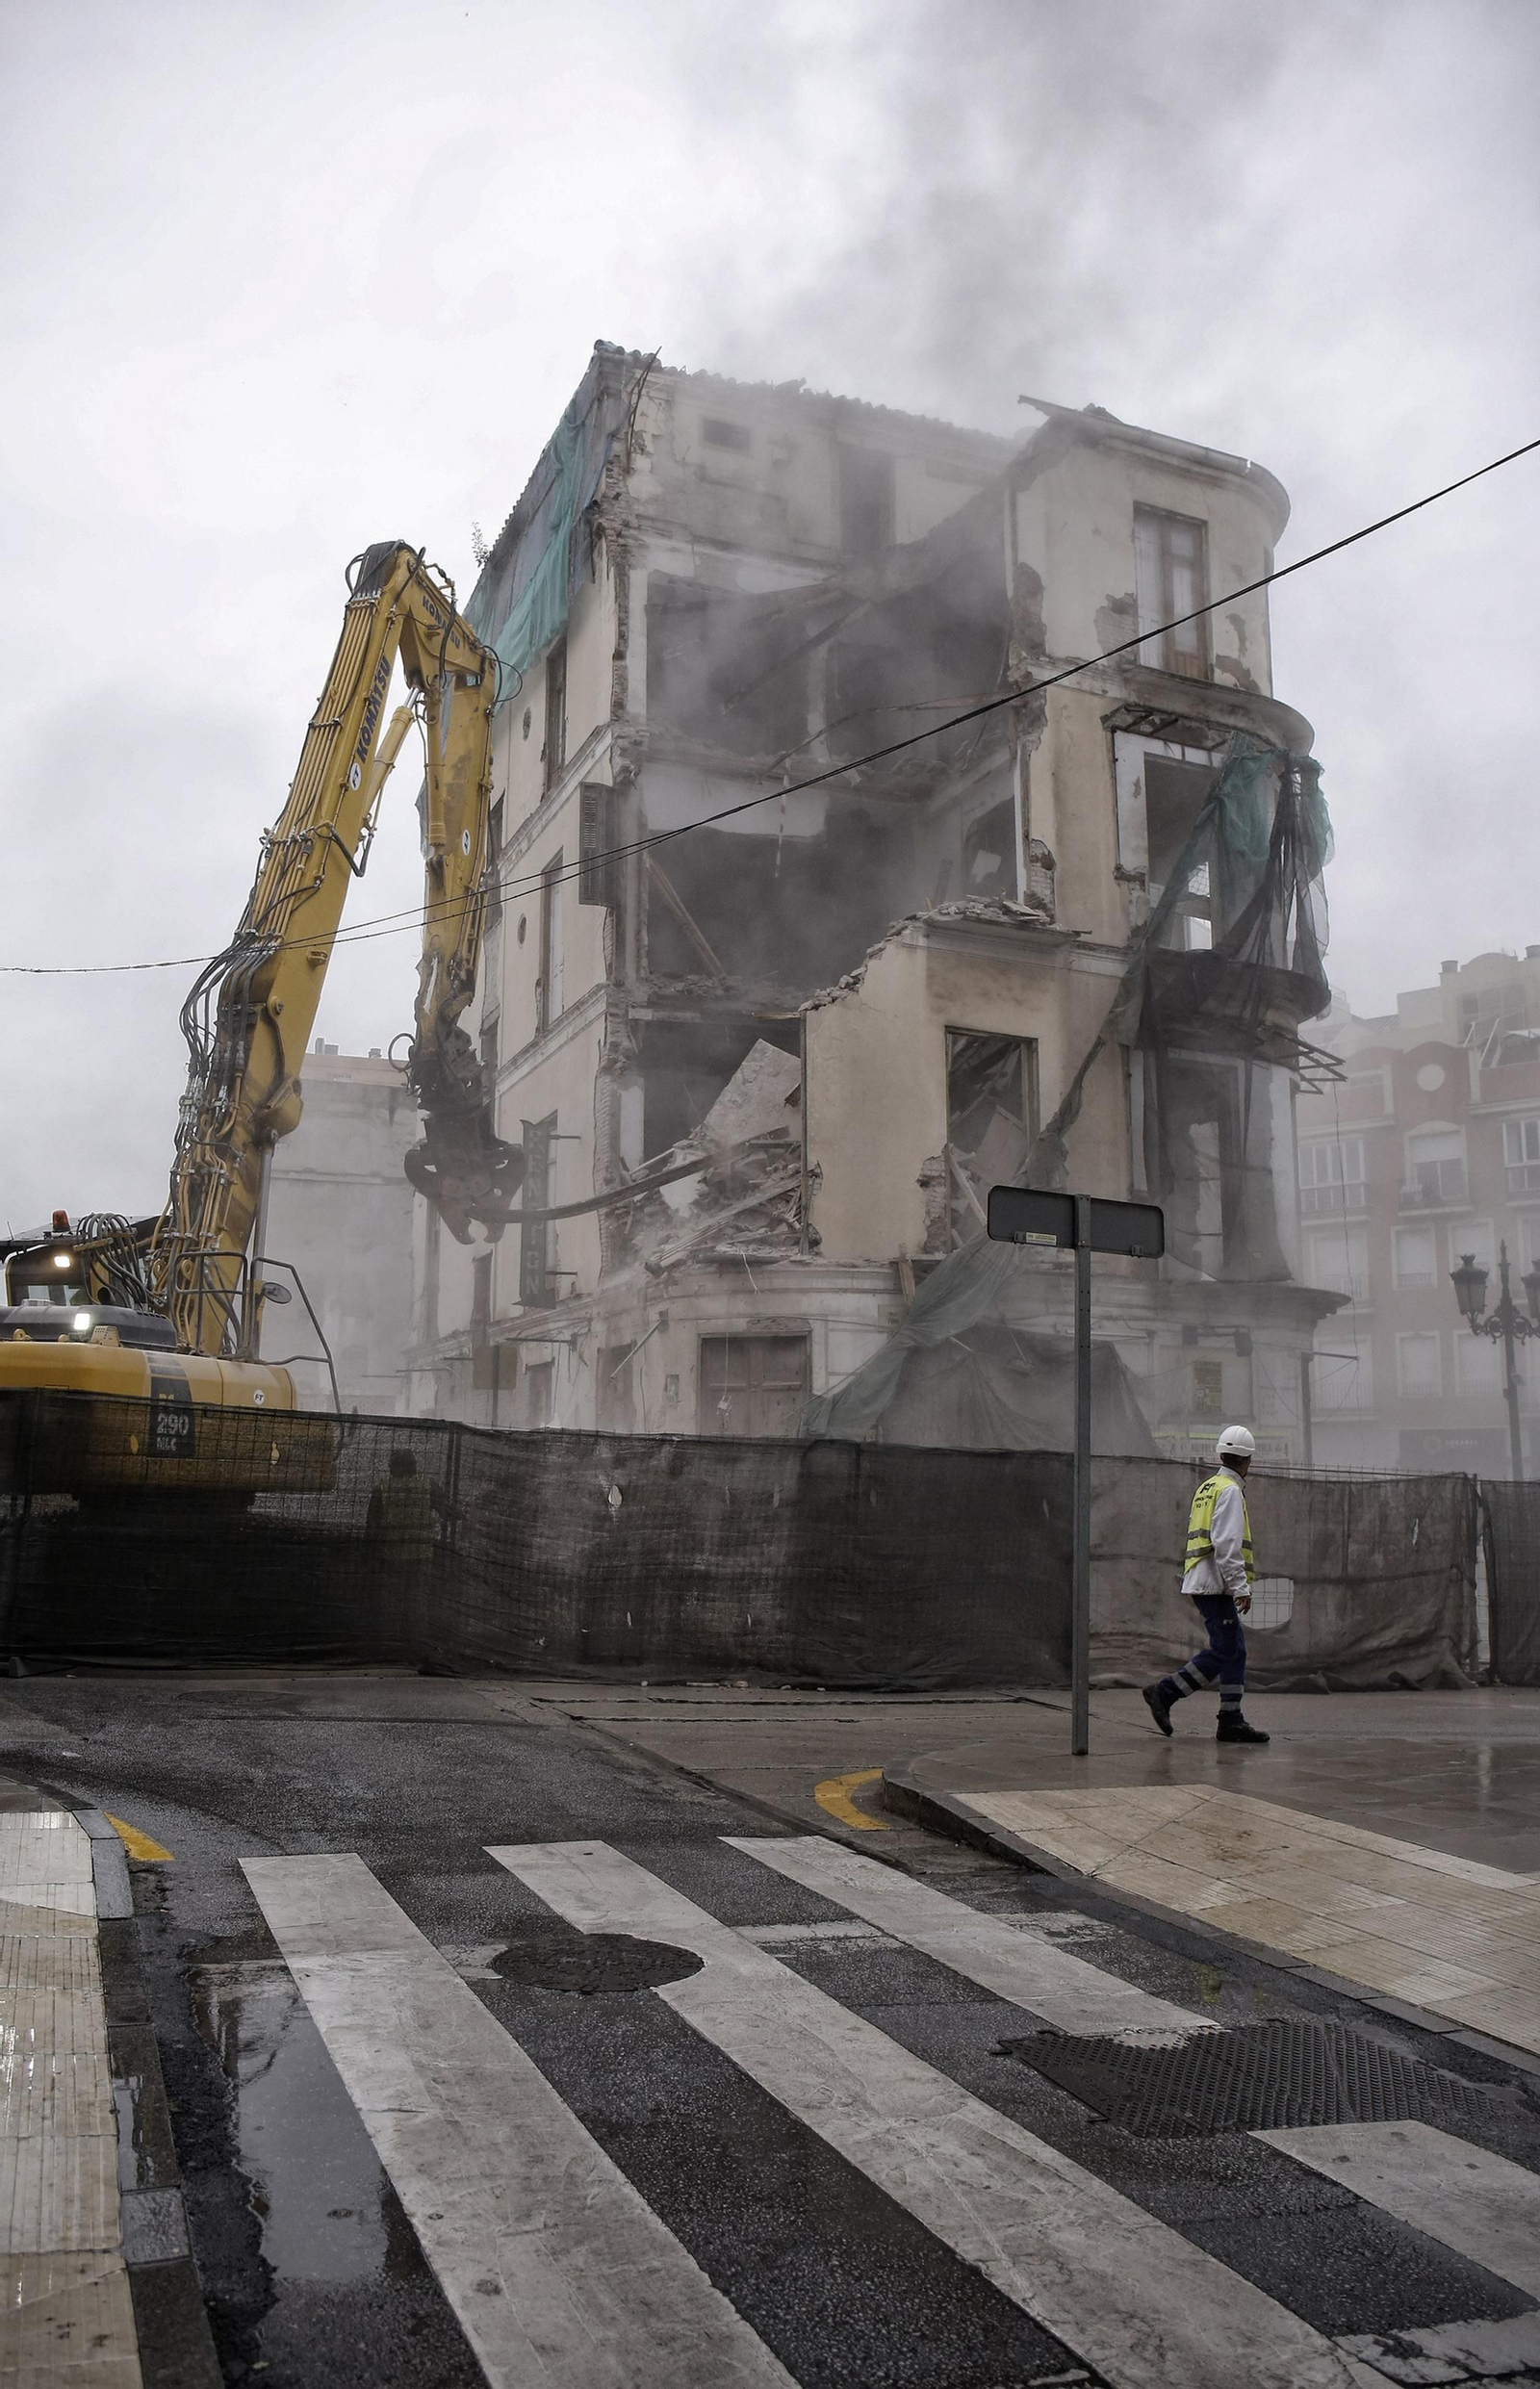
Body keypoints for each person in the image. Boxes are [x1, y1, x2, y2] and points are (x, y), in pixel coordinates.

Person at [1142, 1424, 1270, 1745]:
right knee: (1226, 1650)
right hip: (1215, 1583)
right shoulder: (1228, 1490)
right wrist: (1241, 1587)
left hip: (1204, 1579)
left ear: (1221, 1453)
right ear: (1247, 1460)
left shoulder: (1207, 1487)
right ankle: (1166, 1692)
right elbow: (1227, 1543)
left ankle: (1231, 1718)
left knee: (1234, 1651)